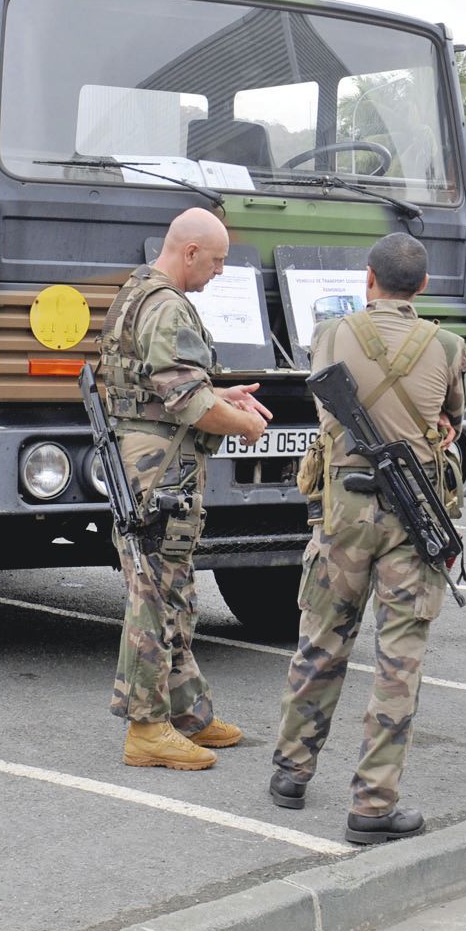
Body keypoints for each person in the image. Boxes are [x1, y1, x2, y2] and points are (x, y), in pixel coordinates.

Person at [270, 232, 466, 844]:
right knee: (398, 660)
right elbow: (450, 421)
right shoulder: (448, 345)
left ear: (368, 279)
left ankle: (290, 773)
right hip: (414, 519)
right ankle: (374, 804)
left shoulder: (332, 334)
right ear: (424, 287)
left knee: (321, 642)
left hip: (343, 513)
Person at [97, 208, 271, 770]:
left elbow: (169, 384)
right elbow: (186, 402)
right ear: (191, 252)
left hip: (148, 464)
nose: (221, 271)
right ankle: (147, 730)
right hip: (159, 471)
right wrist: (241, 422)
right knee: (152, 594)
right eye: (217, 260)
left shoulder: (139, 291)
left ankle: (186, 714)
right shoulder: (168, 305)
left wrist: (226, 396)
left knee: (173, 591)